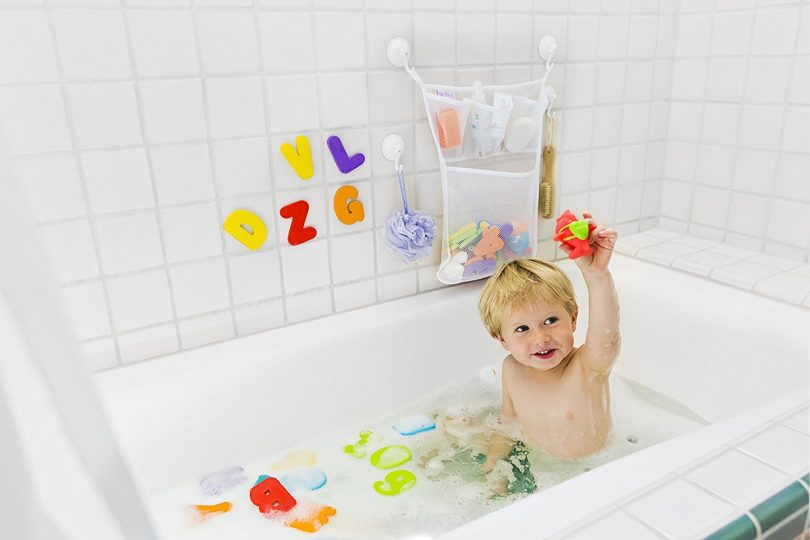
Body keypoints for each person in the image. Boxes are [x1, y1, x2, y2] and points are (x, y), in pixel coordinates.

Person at [478, 213, 619, 459]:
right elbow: (508, 424)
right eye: (522, 329)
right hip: (543, 473)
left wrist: (597, 274)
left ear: (574, 319)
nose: (541, 338)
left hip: (594, 473)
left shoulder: (587, 367)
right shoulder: (512, 369)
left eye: (551, 321)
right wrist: (494, 470)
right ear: (501, 339)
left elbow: (606, 334)